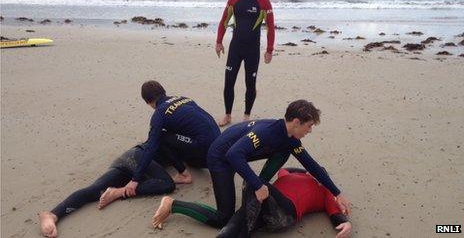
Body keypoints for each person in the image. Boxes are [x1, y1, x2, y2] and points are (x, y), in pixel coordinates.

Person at [152, 100, 351, 230]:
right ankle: (172, 205)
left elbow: (312, 165)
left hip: (238, 155)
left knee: (283, 151)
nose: (310, 131)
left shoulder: (289, 138)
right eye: (309, 126)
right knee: (223, 217)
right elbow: (233, 154)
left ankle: (258, 185)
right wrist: (257, 185)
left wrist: (337, 193)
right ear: (297, 122)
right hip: (221, 158)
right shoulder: (268, 132)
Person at [39, 146, 175, 238]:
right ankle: (51, 215)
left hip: (134, 158)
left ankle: (52, 215)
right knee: (166, 184)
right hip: (136, 158)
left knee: (95, 190)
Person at [124, 80, 221, 196]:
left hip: (205, 153)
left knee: (161, 136)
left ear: (148, 102)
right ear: (163, 91)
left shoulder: (160, 113)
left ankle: (184, 175)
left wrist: (135, 179)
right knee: (173, 130)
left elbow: (151, 146)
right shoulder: (183, 98)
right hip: (219, 144)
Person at [217, 167, 352, 238]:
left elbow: (334, 212)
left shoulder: (325, 190)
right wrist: (306, 171)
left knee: (254, 182)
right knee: (242, 217)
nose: (318, 176)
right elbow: (288, 168)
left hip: (286, 212)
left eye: (322, 174)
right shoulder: (286, 174)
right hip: (266, 209)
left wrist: (345, 224)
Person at [216, 0, 275, 126]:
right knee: (228, 82)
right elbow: (224, 21)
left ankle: (246, 116)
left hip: (252, 50)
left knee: (250, 84)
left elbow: (271, 28)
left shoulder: (263, 2)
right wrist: (218, 41)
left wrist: (269, 50)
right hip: (235, 48)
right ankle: (228, 115)